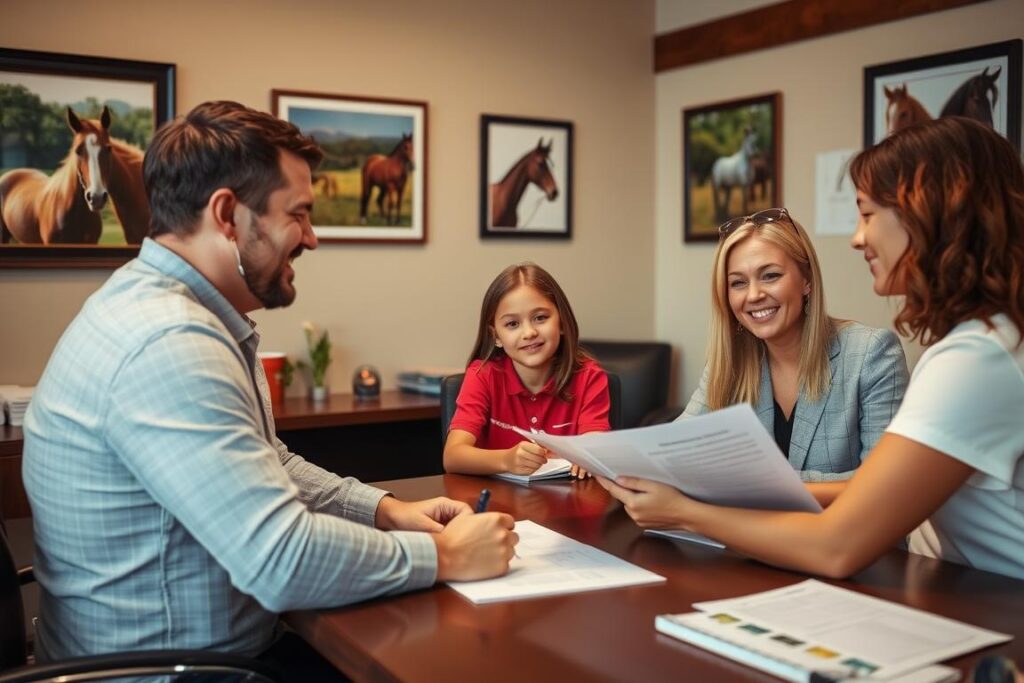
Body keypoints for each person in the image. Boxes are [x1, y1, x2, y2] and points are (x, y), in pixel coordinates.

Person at [22, 101, 518, 674]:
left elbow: (267, 461)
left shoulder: (173, 310)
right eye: (298, 215)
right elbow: (281, 561)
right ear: (227, 215)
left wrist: (386, 510)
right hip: (178, 672)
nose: (312, 238)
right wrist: (444, 554)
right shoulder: (170, 342)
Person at [600, 116, 1024, 580]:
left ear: (930, 216)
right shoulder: (982, 344)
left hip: (988, 598)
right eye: (737, 282)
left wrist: (685, 511)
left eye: (867, 215)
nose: (857, 238)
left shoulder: (976, 359)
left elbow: (837, 546)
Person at [681, 208, 909, 481]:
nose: (753, 295)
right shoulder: (729, 363)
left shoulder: (872, 353)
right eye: (738, 283)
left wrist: (762, 482)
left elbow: (885, 483)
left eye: (770, 276)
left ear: (806, 280)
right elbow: (676, 451)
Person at [443, 263, 611, 479]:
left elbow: (594, 448)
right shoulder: (482, 375)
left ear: (562, 322)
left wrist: (588, 456)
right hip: (496, 497)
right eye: (512, 324)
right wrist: (506, 460)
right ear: (496, 336)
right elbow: (452, 456)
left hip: (569, 495)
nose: (529, 332)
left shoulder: (589, 376)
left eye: (540, 318)